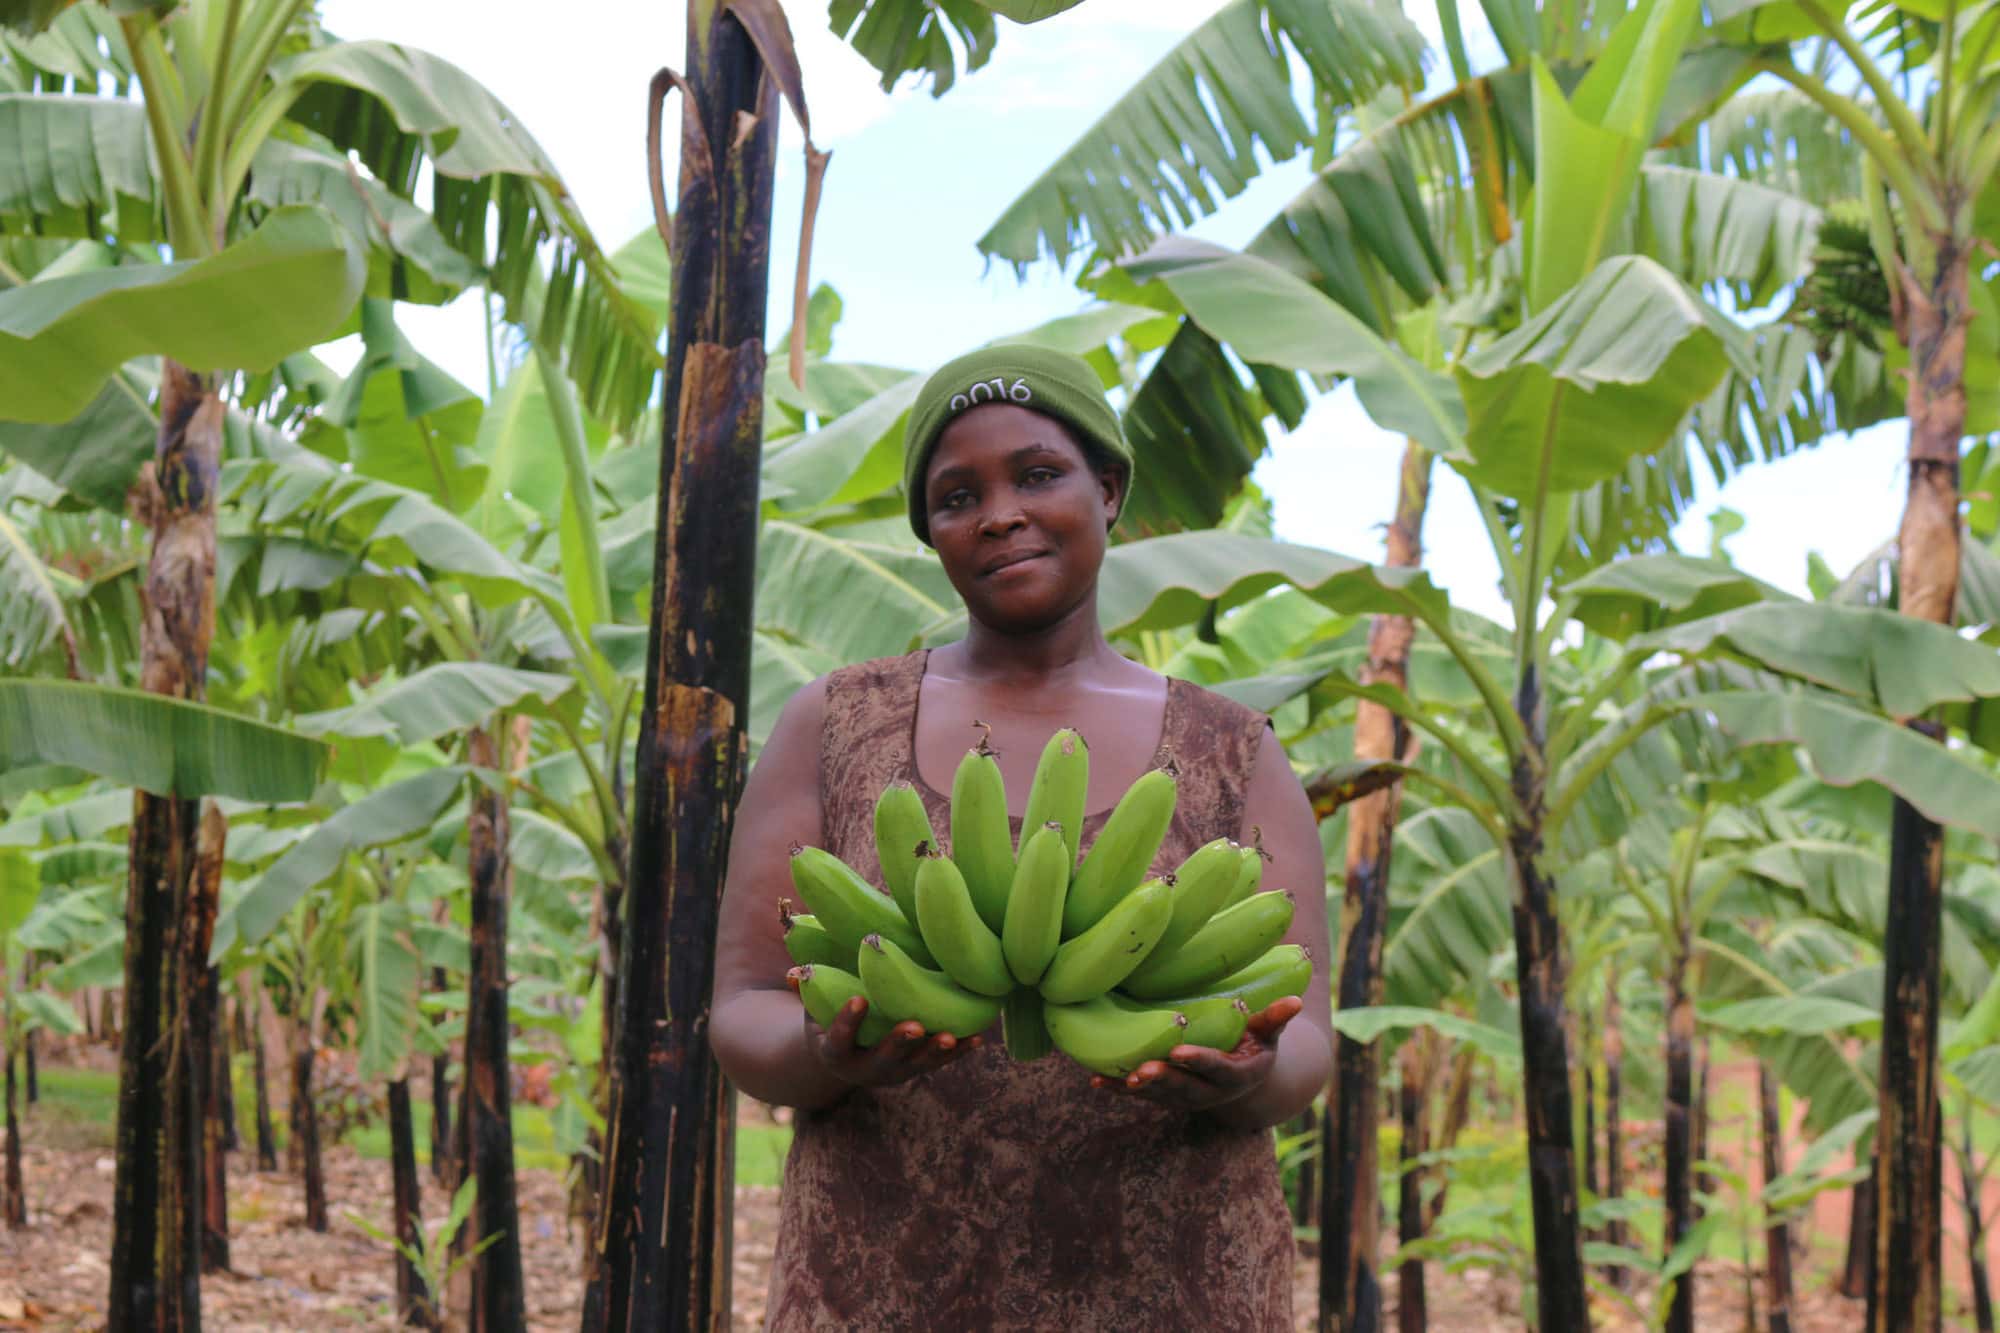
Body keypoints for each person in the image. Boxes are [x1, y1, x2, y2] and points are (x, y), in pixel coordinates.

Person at [709, 343, 1333, 1330]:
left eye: (1037, 474)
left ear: (1109, 489)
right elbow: (742, 1005)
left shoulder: (1229, 749)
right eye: (956, 495)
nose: (997, 512)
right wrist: (829, 1056)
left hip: (1172, 1285)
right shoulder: (833, 724)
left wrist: (1245, 1074)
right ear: (930, 532)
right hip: (882, 1278)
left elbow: (1304, 1035)